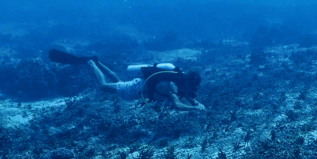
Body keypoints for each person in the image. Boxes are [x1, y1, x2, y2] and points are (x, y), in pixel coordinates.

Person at [48, 49, 205, 111]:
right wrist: (196, 109)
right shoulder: (173, 85)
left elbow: (190, 97)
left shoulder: (178, 81)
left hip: (137, 86)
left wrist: (197, 103)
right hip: (134, 90)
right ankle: (90, 62)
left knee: (119, 81)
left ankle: (97, 61)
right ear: (189, 82)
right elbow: (177, 105)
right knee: (103, 86)